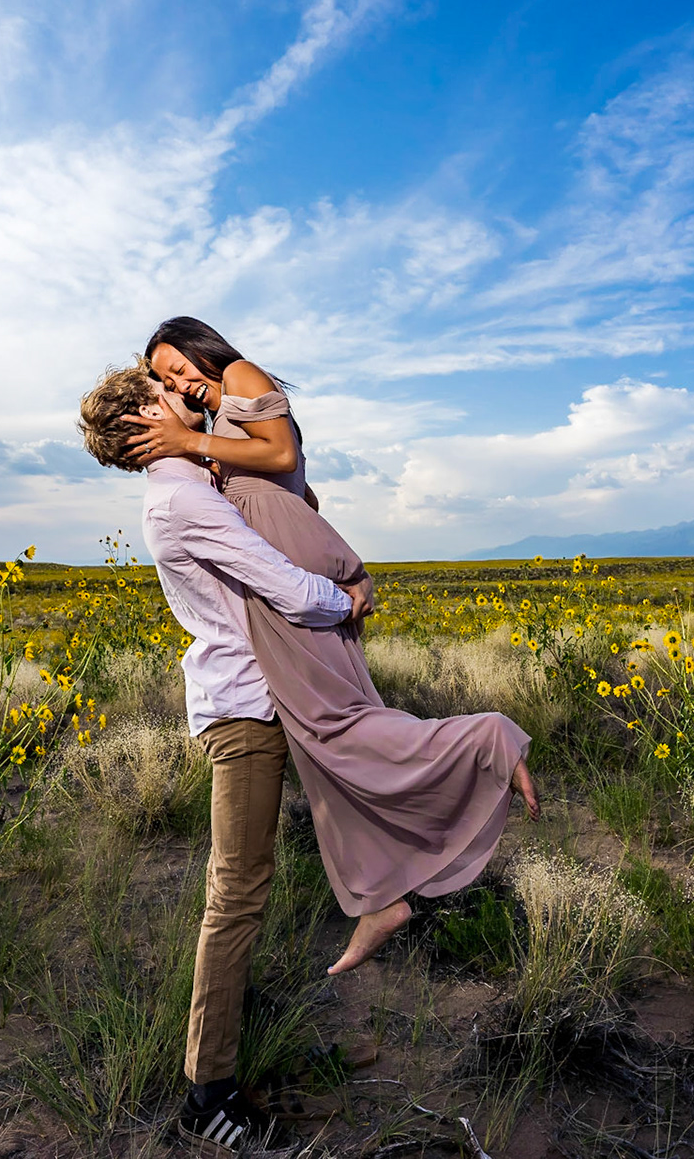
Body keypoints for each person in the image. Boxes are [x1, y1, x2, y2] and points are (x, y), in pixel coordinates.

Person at [124, 317, 540, 976]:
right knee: (322, 749)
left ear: (206, 348)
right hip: (288, 577)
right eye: (166, 378)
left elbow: (284, 460)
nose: (181, 382)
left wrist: (189, 440)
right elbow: (302, 491)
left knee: (333, 725)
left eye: (180, 366)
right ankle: (381, 895)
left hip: (291, 587)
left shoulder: (239, 376)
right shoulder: (208, 448)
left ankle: (486, 741)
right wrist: (324, 551)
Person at [78, 365, 374, 1156]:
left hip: (260, 698)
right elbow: (275, 581)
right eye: (165, 389)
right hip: (245, 709)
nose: (188, 393)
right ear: (146, 412)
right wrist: (341, 597)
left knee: (263, 875)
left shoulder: (191, 482)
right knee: (236, 893)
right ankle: (207, 1094)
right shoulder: (180, 498)